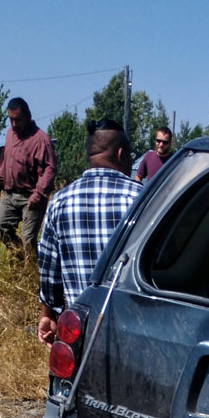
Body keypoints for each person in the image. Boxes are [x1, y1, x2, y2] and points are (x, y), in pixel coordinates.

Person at [37, 119, 140, 344]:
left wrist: (48, 315)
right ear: (121, 155)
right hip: (132, 334)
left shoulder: (60, 202)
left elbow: (49, 272)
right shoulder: (142, 200)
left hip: (80, 334)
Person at [0, 98, 57, 251]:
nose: (14, 124)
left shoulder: (41, 139)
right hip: (11, 194)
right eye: (11, 119)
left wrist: (38, 194)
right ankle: (20, 257)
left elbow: (49, 169)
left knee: (28, 240)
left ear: (28, 116)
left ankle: (31, 264)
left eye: (18, 120)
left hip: (31, 196)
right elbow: (5, 161)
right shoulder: (10, 134)